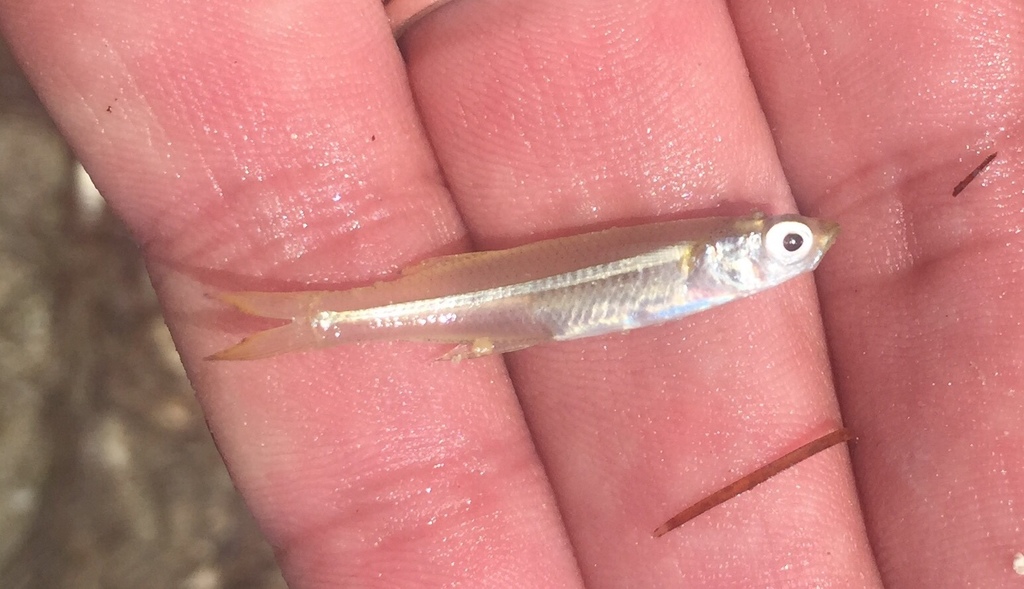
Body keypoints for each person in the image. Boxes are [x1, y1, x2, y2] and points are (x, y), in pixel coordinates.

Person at [1, 1, 1018, 586]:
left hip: (499, 305)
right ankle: (306, 322)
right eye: (788, 244)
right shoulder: (698, 261)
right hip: (481, 300)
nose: (801, 249)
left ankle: (304, 323)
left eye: (792, 244)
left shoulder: (698, 265)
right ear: (729, 255)